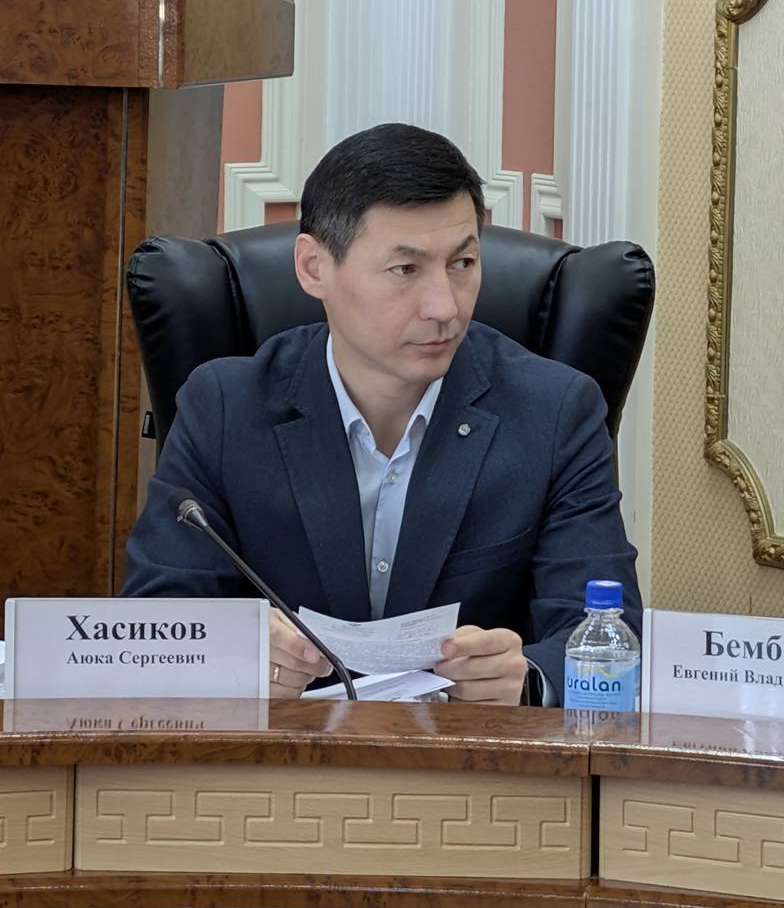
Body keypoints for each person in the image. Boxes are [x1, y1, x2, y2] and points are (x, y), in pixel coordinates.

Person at [123, 124, 639, 701]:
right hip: (281, 748)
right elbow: (153, 626)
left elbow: (613, 639)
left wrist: (529, 680)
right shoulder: (224, 407)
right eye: (405, 270)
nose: (444, 307)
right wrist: (231, 653)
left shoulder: (556, 410)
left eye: (463, 263)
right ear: (313, 268)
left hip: (468, 749)